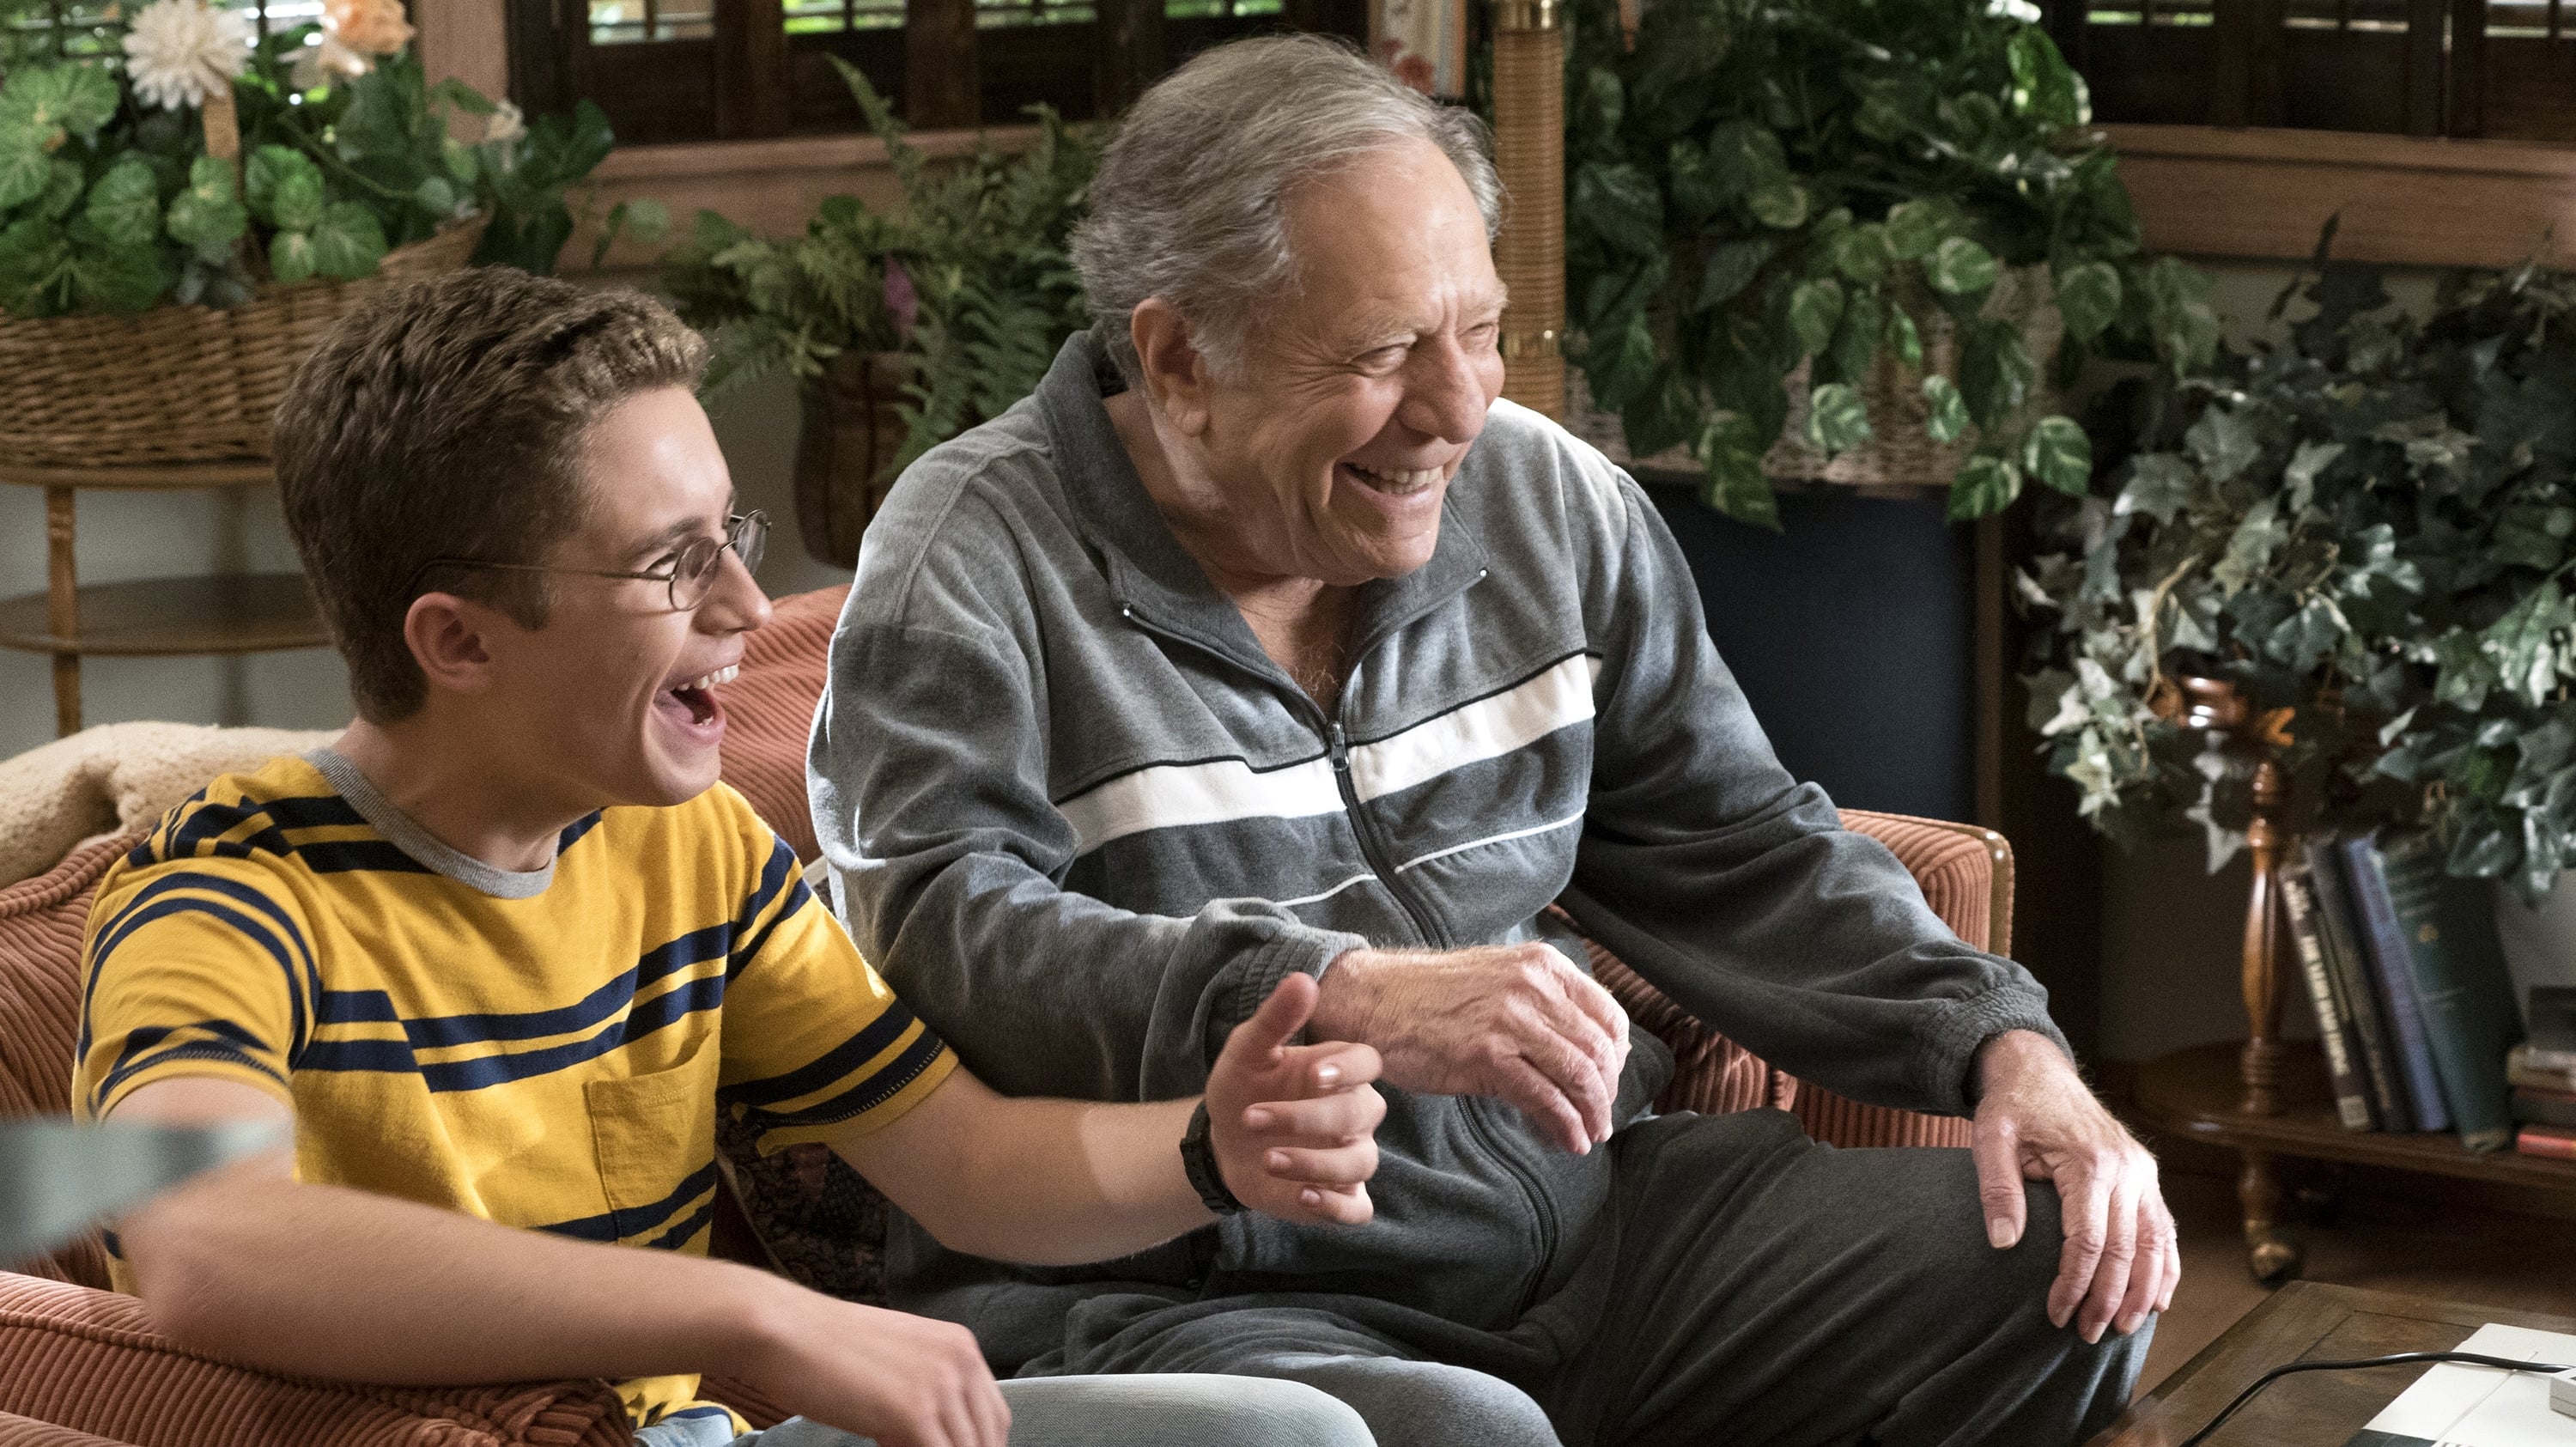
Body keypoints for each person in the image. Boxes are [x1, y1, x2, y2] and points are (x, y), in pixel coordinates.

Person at [811, 34, 2177, 1447]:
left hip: (1596, 1239)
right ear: (1180, 358)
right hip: (1191, 1300)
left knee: (2075, 1265)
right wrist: (1339, 993)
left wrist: (2002, 1041)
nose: (1459, 408)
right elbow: (943, 937)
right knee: (1463, 1433)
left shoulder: (1550, 503)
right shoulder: (970, 557)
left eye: (1481, 331)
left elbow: (1740, 843)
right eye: (1383, 352)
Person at [73, 268, 1393, 1447]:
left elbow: (963, 1159)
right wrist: (753, 1313)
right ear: (459, 641)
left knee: (1376, 1423)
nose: (749, 606)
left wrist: (1208, 1151)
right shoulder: (225, 893)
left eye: (732, 536)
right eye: (674, 562)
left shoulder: (687, 848)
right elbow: (210, 1243)